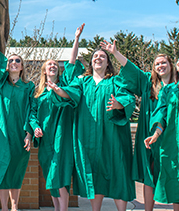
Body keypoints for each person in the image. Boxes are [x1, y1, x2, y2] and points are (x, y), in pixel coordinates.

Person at [51, 40, 136, 211]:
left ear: (107, 62)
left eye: (102, 56)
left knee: (118, 170)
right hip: (88, 138)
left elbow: (129, 98)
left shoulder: (116, 81)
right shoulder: (83, 82)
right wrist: (58, 90)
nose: (98, 58)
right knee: (94, 173)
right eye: (95, 56)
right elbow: (71, 92)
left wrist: (118, 104)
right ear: (90, 62)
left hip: (112, 137)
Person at [0, 16, 34, 211]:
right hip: (1, 133)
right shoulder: (0, 83)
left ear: (22, 66)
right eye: (10, 60)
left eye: (17, 61)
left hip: (19, 133)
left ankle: (14, 206)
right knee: (2, 168)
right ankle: (4, 208)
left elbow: (31, 111)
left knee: (17, 170)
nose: (13, 62)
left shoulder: (28, 87)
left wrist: (29, 133)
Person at [28, 24, 85, 211]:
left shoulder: (64, 85)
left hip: (62, 134)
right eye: (49, 65)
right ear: (44, 71)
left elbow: (71, 62)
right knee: (50, 176)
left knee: (59, 173)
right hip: (46, 138)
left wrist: (76, 39)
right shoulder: (38, 93)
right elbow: (33, 114)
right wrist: (35, 127)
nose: (52, 66)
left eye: (55, 65)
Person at [115, 53, 176, 211]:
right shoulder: (148, 81)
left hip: (172, 135)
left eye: (163, 62)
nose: (160, 66)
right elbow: (131, 69)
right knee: (149, 173)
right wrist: (115, 53)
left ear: (171, 64)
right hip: (148, 134)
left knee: (175, 173)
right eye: (157, 64)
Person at [144, 81, 179, 211]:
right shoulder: (169, 89)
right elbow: (163, 114)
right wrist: (156, 134)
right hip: (173, 144)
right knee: (176, 182)